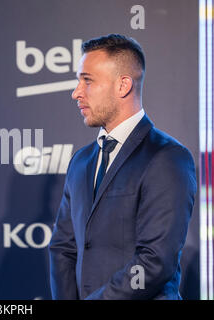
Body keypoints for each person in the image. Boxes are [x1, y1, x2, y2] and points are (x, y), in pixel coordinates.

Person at [48, 34, 196, 300]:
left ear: (123, 85)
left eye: (87, 80)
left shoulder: (168, 158)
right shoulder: (81, 162)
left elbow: (154, 262)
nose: (76, 92)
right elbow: (63, 248)